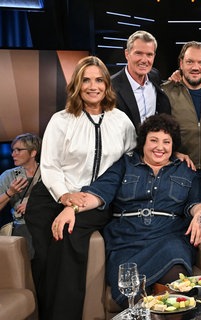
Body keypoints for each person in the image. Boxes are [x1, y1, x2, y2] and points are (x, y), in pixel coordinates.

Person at [52, 114, 201, 305]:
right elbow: (99, 191)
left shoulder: (185, 169)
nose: (160, 147)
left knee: (176, 279)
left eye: (166, 142)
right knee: (132, 291)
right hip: (126, 241)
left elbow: (198, 201)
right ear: (143, 142)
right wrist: (73, 208)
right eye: (153, 140)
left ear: (173, 146)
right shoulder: (125, 165)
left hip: (168, 237)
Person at [24, 56, 137, 320]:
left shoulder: (120, 121)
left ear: (107, 85)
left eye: (99, 80)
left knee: (67, 239)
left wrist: (80, 202)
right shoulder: (61, 120)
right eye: (86, 80)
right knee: (44, 257)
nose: (93, 86)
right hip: (53, 194)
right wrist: (65, 197)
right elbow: (49, 166)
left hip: (94, 198)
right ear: (77, 84)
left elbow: (131, 159)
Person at [162, 41, 201, 201]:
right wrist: (173, 153)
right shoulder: (165, 92)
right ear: (181, 64)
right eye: (190, 62)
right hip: (179, 170)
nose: (196, 67)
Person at [112, 30, 172, 128]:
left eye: (149, 55)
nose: (144, 60)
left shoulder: (155, 75)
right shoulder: (112, 86)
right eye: (138, 53)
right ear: (127, 54)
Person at [0, 133, 41, 255]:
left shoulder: (47, 172)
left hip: (45, 221)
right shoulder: (8, 176)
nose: (13, 154)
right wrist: (10, 192)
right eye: (13, 150)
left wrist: (33, 203)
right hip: (22, 225)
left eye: (18, 150)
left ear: (33, 153)